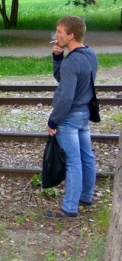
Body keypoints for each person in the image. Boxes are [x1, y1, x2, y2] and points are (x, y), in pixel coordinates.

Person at [45, 15, 98, 219]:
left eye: (59, 32)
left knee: (73, 161)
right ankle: (85, 196)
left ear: (71, 35)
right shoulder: (90, 55)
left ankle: (69, 207)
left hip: (69, 117)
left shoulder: (71, 62)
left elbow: (66, 95)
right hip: (84, 112)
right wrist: (57, 58)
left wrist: (53, 119)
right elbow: (65, 79)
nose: (56, 35)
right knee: (87, 156)